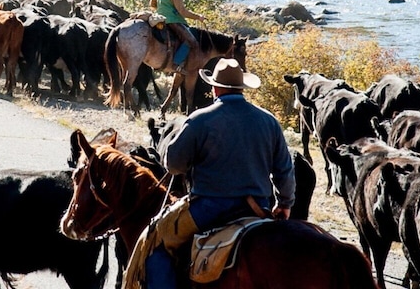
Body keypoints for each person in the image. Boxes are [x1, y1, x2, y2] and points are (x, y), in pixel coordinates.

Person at [124, 58, 295, 289]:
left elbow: (174, 165)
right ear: (242, 89)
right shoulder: (269, 121)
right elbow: (284, 169)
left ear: (215, 88)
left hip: (209, 208)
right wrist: (285, 203)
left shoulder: (201, 119)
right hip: (257, 207)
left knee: (158, 242)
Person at [150, 0, 206, 72]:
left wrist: (162, 10)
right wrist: (198, 17)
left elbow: (152, 3)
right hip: (173, 21)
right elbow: (182, 11)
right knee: (191, 41)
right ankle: (176, 64)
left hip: (159, 19)